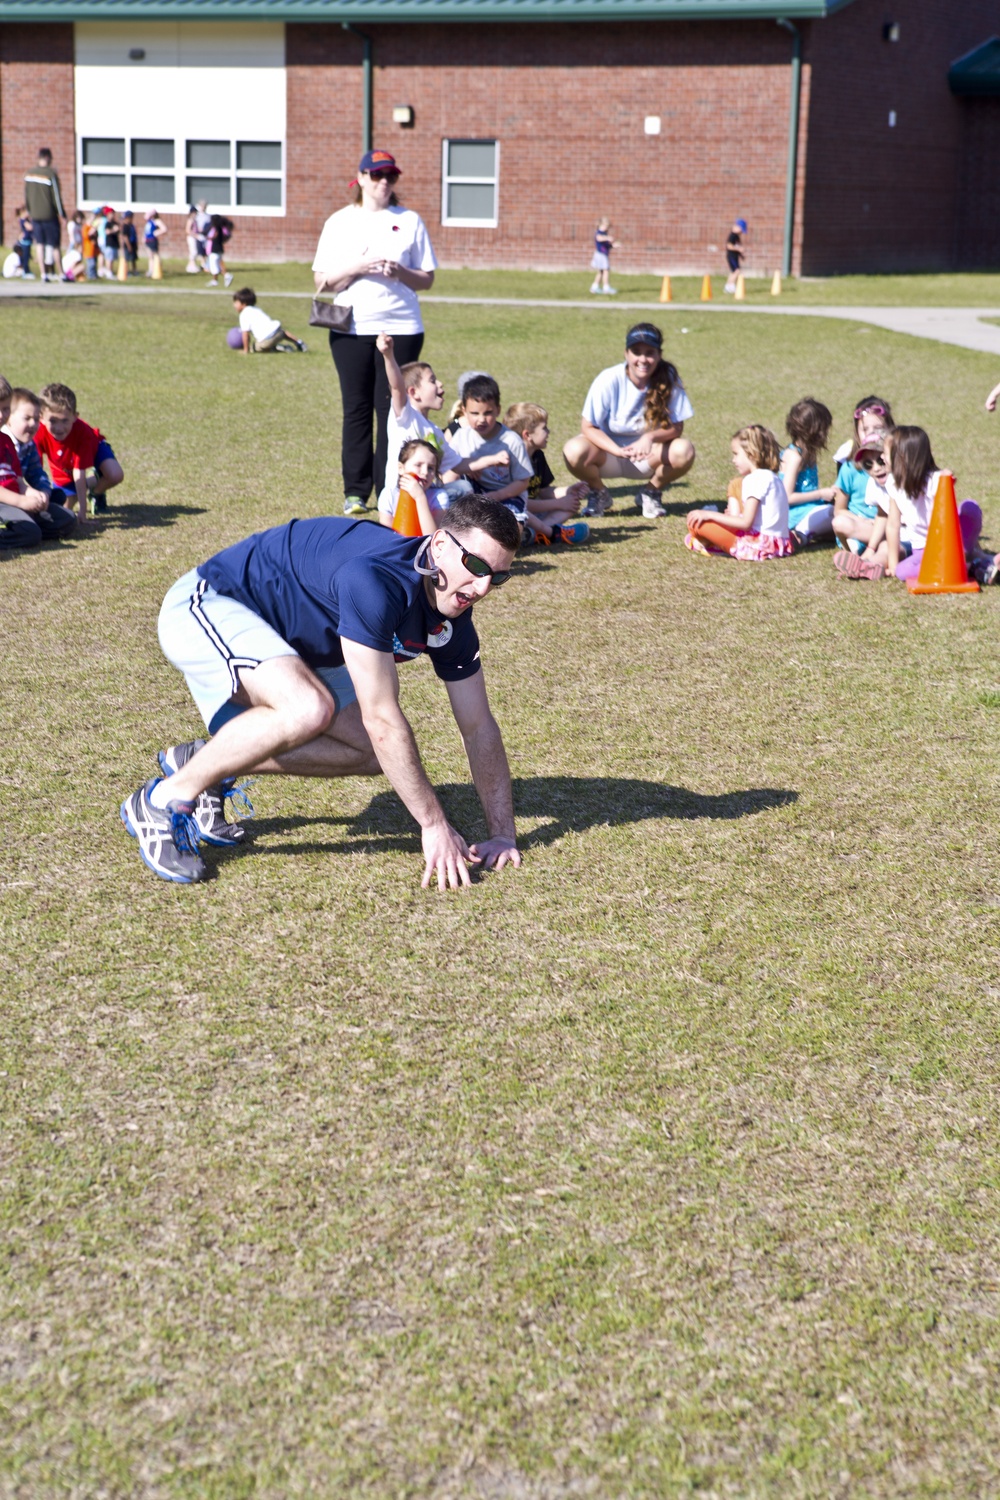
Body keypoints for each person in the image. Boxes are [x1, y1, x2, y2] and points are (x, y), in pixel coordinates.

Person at [119, 496, 523, 889]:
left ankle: (202, 762)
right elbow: (382, 717)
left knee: (369, 752)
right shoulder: (375, 581)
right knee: (309, 708)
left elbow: (478, 724)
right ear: (438, 545)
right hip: (210, 602)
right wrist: (434, 826)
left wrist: (502, 834)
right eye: (475, 565)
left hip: (292, 643)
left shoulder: (453, 617)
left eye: (498, 576)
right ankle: (160, 801)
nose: (483, 586)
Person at [312, 149, 437, 516]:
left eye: (391, 176)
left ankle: (390, 488)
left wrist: (399, 272)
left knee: (394, 411)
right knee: (356, 409)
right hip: (351, 327)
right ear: (361, 178)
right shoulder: (340, 221)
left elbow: (427, 278)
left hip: (402, 326)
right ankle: (355, 491)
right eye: (378, 175)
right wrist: (360, 265)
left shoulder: (409, 220)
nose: (384, 182)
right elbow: (322, 280)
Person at [563, 322, 695, 519]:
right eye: (636, 352)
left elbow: (677, 427)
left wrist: (649, 438)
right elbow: (588, 426)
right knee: (573, 449)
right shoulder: (608, 378)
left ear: (659, 355)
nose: (643, 359)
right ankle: (599, 493)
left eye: (650, 352)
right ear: (626, 354)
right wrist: (615, 450)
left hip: (648, 455)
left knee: (684, 450)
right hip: (608, 454)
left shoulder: (668, 377)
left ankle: (651, 492)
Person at [374, 333, 476, 527]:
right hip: (400, 494)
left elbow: (459, 465)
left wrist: (492, 459)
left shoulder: (435, 431)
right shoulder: (405, 416)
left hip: (428, 493)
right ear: (413, 392)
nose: (440, 384)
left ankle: (447, 532)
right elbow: (397, 387)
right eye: (432, 380)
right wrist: (388, 355)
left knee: (463, 488)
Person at [883, 426, 986, 583]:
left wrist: (946, 482)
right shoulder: (892, 483)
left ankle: (965, 558)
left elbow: (949, 518)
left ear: (902, 458)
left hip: (950, 542)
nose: (882, 457)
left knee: (969, 508)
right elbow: (892, 524)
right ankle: (973, 566)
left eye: (886, 453)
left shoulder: (934, 481)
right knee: (901, 571)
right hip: (924, 551)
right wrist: (893, 564)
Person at [685, 424, 792, 560]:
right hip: (779, 544)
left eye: (736, 454)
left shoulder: (755, 479)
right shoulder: (773, 477)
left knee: (696, 523)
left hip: (758, 545)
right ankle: (711, 541)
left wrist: (709, 514)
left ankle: (710, 544)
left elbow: (746, 523)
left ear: (751, 454)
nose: (733, 460)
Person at [445, 375, 533, 534]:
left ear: (498, 410)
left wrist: (497, 495)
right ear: (464, 411)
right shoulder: (461, 437)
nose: (481, 420)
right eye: (474, 413)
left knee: (509, 533)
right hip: (473, 495)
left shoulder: (511, 441)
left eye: (488, 413)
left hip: (507, 498)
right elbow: (448, 471)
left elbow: (523, 481)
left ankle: (524, 534)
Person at [35, 382, 124, 521]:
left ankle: (96, 492)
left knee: (115, 474)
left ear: (75, 416)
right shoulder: (37, 432)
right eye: (53, 421)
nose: (59, 428)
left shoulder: (83, 434)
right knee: (63, 512)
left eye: (65, 420)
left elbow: (79, 472)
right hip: (65, 466)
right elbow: (36, 469)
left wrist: (82, 512)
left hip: (94, 450)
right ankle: (93, 480)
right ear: (41, 417)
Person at [504, 402, 590, 545]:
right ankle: (547, 532)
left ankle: (533, 534)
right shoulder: (511, 461)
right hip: (515, 514)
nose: (548, 432)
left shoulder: (537, 456)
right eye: (544, 428)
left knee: (572, 504)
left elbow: (543, 490)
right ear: (527, 435)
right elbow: (520, 504)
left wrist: (569, 491)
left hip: (533, 514)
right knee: (528, 510)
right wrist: (558, 503)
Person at [1, 385, 76, 544]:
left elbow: (21, 480)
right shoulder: (10, 440)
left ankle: (26, 525)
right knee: (30, 533)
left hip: (17, 499)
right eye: (27, 418)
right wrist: (22, 501)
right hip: (5, 503)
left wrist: (37, 494)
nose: (33, 424)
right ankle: (24, 529)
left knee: (68, 519)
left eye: (36, 419)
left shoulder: (7, 443)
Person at [831, 428, 893, 578]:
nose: (876, 468)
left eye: (880, 461)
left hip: (908, 536)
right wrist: (870, 548)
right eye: (868, 464)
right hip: (885, 532)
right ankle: (864, 564)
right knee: (839, 522)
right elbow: (882, 515)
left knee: (887, 547)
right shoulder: (873, 484)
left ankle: (867, 566)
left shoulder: (900, 482)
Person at [780, 397, 836, 545]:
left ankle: (817, 534)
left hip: (808, 510)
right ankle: (799, 535)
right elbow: (787, 497)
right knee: (834, 513)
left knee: (842, 510)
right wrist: (820, 494)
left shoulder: (807, 454)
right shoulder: (794, 457)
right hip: (794, 515)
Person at [23, 147, 64, 282]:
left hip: (35, 215)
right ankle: (61, 274)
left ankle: (43, 274)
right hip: (49, 215)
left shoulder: (29, 174)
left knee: (39, 244)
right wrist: (61, 214)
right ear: (47, 158)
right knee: (54, 245)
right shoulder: (50, 174)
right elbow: (56, 197)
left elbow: (27, 196)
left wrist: (29, 212)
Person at [232, 287, 306, 354]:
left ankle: (281, 348)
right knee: (283, 332)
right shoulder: (256, 309)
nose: (234, 305)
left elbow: (245, 334)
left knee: (255, 348)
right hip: (278, 332)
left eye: (236, 302)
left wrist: (246, 350)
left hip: (267, 339)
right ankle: (299, 342)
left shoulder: (244, 314)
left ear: (244, 304)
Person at [589, 217, 619, 296]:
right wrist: (607, 238)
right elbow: (598, 238)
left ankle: (594, 287)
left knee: (601, 271)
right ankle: (606, 287)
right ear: (600, 225)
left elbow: (606, 245)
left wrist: (613, 245)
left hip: (603, 254)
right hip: (600, 255)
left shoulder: (604, 233)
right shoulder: (599, 233)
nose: (606, 228)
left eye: (607, 227)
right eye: (605, 226)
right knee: (606, 270)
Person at [205, 214, 233, 288]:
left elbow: (214, 236)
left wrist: (207, 237)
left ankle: (227, 275)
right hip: (219, 249)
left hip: (215, 249)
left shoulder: (217, 228)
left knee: (214, 266)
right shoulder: (221, 228)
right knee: (218, 264)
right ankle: (215, 280)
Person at [724, 217, 747, 293]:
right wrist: (739, 249)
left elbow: (737, 246)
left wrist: (741, 254)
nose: (741, 232)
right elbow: (729, 246)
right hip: (731, 256)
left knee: (733, 272)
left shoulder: (737, 236)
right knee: (737, 271)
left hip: (735, 256)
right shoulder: (733, 235)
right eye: (741, 230)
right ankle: (730, 286)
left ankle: (728, 286)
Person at [144, 209, 166, 278]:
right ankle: (151, 270)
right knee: (150, 256)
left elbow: (164, 229)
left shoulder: (157, 221)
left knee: (156, 255)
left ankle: (157, 269)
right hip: (148, 240)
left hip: (153, 241)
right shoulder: (149, 222)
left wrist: (157, 233)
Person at [13, 207, 34, 277]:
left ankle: (26, 270)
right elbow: (30, 227)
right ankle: (25, 272)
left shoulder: (25, 220)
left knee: (27, 257)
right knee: (25, 257)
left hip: (27, 241)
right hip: (25, 242)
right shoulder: (23, 220)